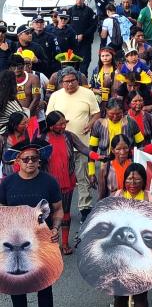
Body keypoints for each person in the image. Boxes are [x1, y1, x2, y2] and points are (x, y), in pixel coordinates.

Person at [0, 139, 63, 307]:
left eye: (34, 158)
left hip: (41, 242)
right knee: (16, 288)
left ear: (39, 160)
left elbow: (58, 209)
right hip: (12, 242)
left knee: (44, 286)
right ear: (17, 161)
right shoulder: (6, 184)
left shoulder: (49, 181)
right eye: (26, 159)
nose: (30, 162)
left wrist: (55, 228)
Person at [38, 110, 103, 255]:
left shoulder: (69, 136)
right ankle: (49, 245)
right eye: (60, 124)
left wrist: (98, 156)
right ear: (51, 126)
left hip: (67, 181)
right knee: (47, 214)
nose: (63, 126)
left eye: (64, 123)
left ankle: (65, 243)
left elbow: (83, 148)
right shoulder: (41, 138)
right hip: (47, 183)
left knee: (65, 212)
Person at [46, 66, 100, 222]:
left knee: (83, 178)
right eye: (66, 81)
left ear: (78, 80)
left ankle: (84, 209)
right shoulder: (55, 96)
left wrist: (90, 124)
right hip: (60, 147)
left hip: (82, 144)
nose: (69, 84)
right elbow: (50, 117)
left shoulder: (88, 93)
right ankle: (58, 210)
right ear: (61, 82)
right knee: (61, 179)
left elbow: (96, 113)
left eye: (72, 81)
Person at [112, 163, 152, 307]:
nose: (132, 183)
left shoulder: (151, 199)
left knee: (141, 294)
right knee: (120, 295)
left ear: (144, 181)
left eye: (137, 180)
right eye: (129, 179)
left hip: (143, 255)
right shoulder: (116, 197)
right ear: (124, 180)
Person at [67, 0, 97, 76]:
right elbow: (66, 25)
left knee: (84, 65)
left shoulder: (89, 11)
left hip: (85, 43)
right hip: (73, 43)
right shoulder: (70, 11)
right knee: (72, 66)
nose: (79, 0)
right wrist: (74, 36)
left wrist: (83, 35)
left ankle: (83, 84)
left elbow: (93, 26)